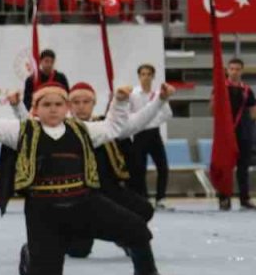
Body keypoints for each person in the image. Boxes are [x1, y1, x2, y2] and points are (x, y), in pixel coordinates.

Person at [0, 79, 174, 275]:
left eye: (58, 105)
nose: (53, 109)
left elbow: (113, 127)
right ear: (36, 108)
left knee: (135, 227)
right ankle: (30, 254)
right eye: (46, 105)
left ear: (66, 108)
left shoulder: (83, 129)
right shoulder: (24, 131)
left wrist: (119, 101)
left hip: (83, 203)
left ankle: (147, 273)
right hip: (44, 212)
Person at [61, 81, 175, 260]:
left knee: (144, 209)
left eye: (86, 102)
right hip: (77, 196)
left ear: (94, 103)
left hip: (109, 191)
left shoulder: (107, 126)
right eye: (76, 102)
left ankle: (124, 236)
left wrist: (160, 100)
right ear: (68, 105)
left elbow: (137, 121)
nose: (81, 106)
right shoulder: (60, 129)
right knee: (78, 251)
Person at [128, 64, 170, 208]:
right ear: (139, 76)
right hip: (139, 134)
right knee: (139, 169)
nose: (146, 77)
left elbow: (167, 113)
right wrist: (140, 122)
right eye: (143, 74)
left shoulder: (159, 94)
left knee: (163, 167)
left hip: (154, 133)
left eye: (148, 74)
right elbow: (128, 114)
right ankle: (143, 198)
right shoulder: (133, 94)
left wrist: (151, 121)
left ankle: (161, 198)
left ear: (153, 76)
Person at [217, 57, 256, 210]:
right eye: (231, 69)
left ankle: (244, 199)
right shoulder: (220, 88)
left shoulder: (247, 90)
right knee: (224, 168)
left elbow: (254, 113)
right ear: (227, 70)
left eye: (237, 69)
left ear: (242, 71)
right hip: (226, 134)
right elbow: (213, 110)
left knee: (243, 168)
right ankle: (224, 198)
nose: (234, 72)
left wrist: (245, 125)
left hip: (243, 134)